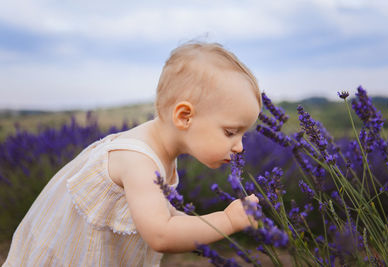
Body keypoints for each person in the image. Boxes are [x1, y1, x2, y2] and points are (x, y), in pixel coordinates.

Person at [3, 42, 261, 266]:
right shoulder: (138, 162)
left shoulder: (161, 150)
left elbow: (169, 216)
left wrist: (199, 231)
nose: (240, 147)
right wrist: (226, 221)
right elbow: (161, 234)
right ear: (184, 117)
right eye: (230, 132)